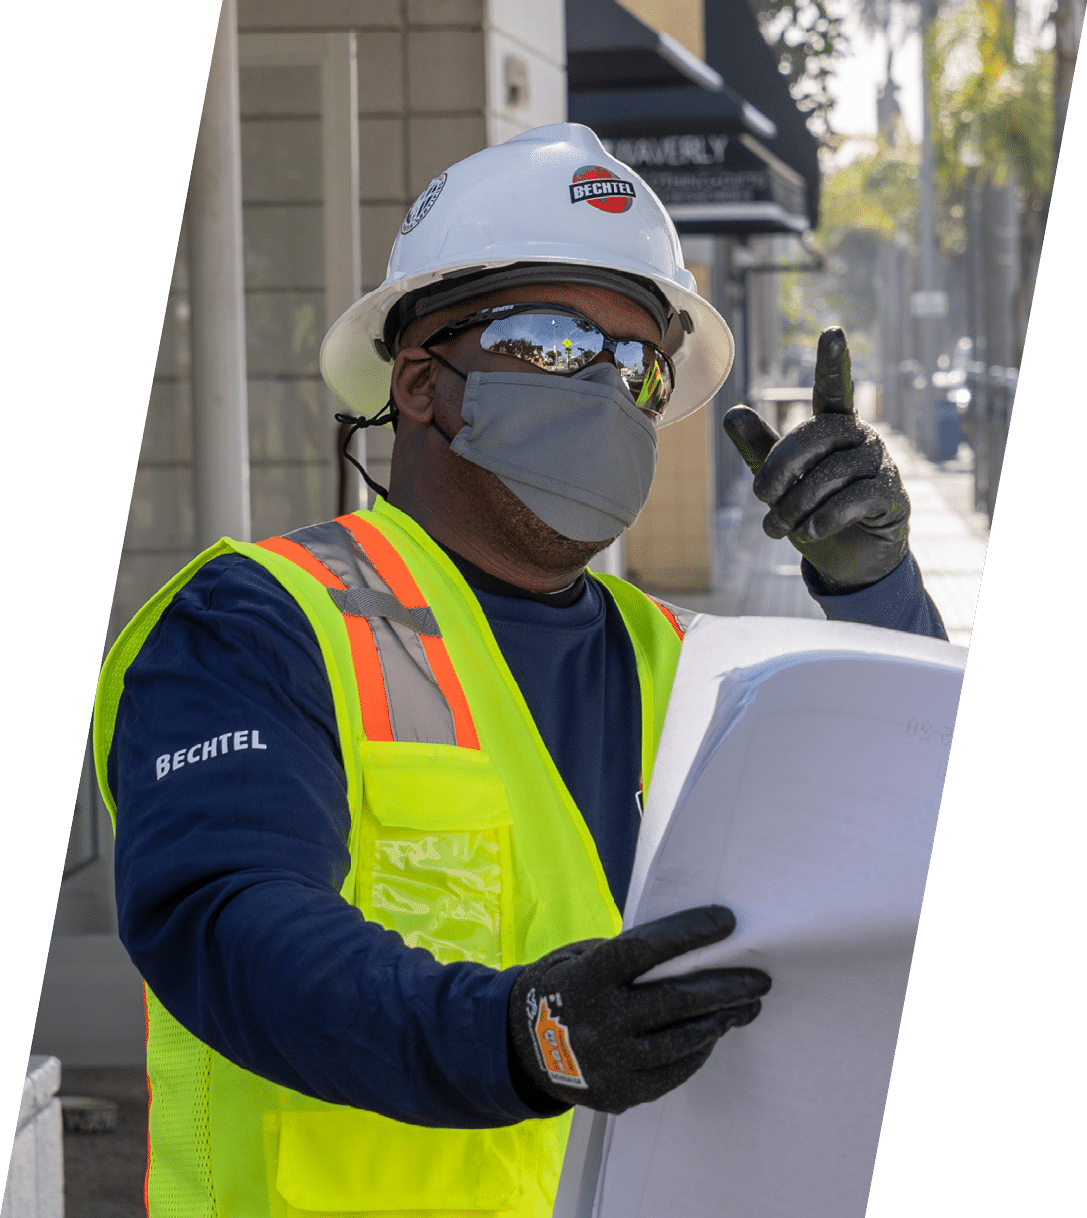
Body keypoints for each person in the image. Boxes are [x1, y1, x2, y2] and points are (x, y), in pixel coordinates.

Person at [93, 123, 945, 1217]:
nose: (604, 386)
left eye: (638, 365)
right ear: (416, 381)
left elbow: (916, 871)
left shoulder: (695, 668)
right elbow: (223, 921)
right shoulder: (259, 624)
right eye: (551, 341)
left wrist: (873, 594)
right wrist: (519, 1037)